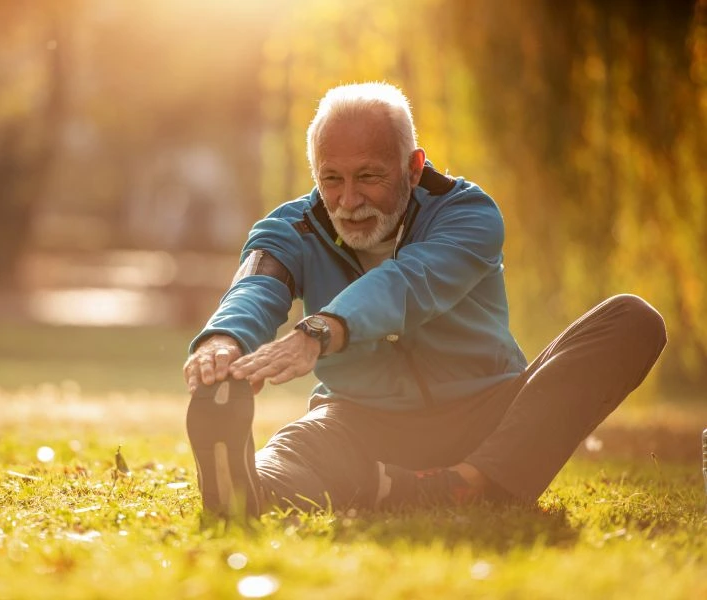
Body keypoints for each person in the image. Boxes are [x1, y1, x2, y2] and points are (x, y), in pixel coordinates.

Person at [183, 82, 667, 519]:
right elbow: (256, 285)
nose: (348, 201)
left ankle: (470, 484)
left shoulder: (468, 213)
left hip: (486, 415)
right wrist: (223, 340)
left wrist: (320, 331)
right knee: (295, 452)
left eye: (368, 176)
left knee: (633, 319)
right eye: (331, 179)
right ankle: (247, 488)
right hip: (359, 419)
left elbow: (408, 284)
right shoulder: (291, 228)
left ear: (413, 168)